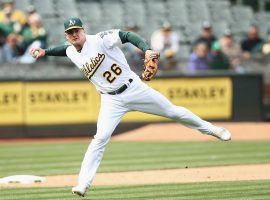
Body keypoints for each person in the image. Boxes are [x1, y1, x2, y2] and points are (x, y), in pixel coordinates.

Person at [29, 17, 231, 197]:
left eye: (77, 31)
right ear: (67, 35)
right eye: (70, 33)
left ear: (83, 30)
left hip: (133, 88)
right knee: (100, 138)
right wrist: (44, 51)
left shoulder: (99, 39)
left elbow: (127, 35)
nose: (74, 35)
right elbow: (62, 50)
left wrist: (146, 49)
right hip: (111, 100)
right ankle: (83, 184)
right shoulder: (71, 50)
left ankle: (213, 129)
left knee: (173, 111)